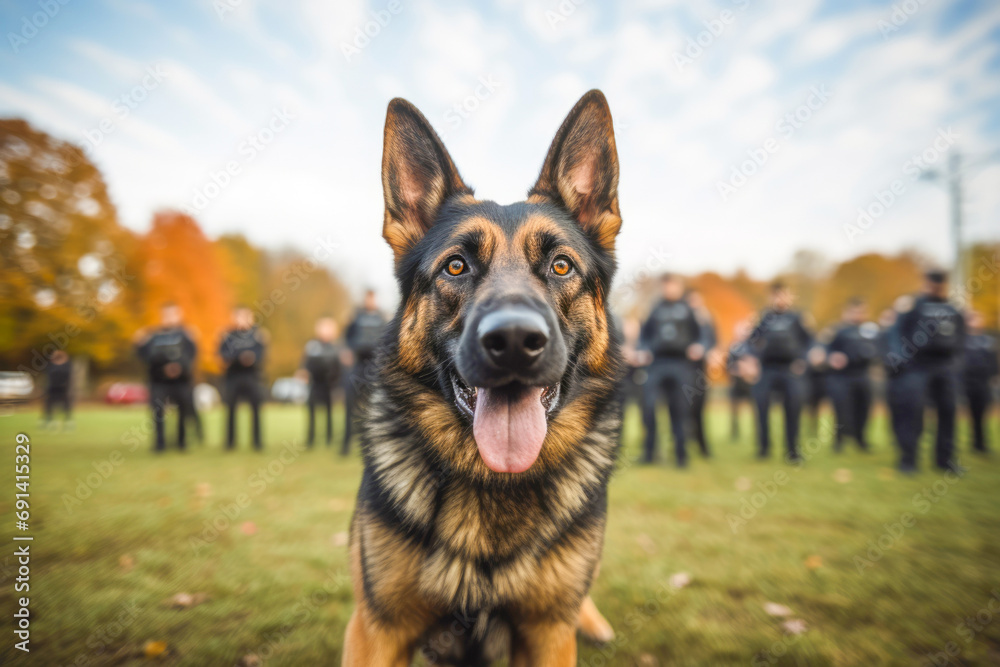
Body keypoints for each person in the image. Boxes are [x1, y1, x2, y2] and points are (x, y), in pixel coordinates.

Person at [893, 269, 966, 473]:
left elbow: (962, 336)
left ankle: (945, 461)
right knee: (913, 414)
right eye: (933, 283)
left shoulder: (953, 309)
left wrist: (956, 361)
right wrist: (902, 358)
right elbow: (897, 332)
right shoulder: (913, 306)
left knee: (948, 412)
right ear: (925, 283)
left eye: (940, 284)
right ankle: (908, 460)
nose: (936, 288)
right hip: (917, 367)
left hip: (945, 368)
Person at [639, 274, 705, 467]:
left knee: (680, 409)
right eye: (665, 286)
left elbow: (700, 336)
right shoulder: (655, 308)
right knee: (649, 407)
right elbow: (645, 335)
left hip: (681, 365)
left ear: (679, 287)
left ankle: (681, 455)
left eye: (672, 286)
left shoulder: (688, 309)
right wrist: (644, 349)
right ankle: (650, 453)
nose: (669, 289)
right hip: (657, 364)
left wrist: (699, 346)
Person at [747, 281, 813, 462]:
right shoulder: (764, 318)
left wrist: (803, 361)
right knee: (761, 408)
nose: (780, 299)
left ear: (789, 297)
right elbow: (750, 341)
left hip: (790, 370)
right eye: (776, 295)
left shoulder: (797, 318)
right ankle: (764, 449)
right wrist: (751, 360)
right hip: (767, 370)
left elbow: (810, 342)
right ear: (771, 297)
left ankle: (792, 451)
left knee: (793, 409)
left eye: (783, 295)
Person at [135, 302, 198, 452]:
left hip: (181, 380)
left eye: (173, 314)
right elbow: (145, 356)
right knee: (157, 410)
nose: (169, 318)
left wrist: (179, 367)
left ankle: (181, 442)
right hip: (159, 380)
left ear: (179, 315)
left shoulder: (187, 334)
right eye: (166, 314)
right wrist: (138, 343)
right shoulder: (153, 335)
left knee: (183, 410)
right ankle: (159, 444)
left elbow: (191, 356)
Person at [826, 298, 879, 452]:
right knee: (842, 410)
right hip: (842, 376)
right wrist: (833, 358)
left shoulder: (871, 331)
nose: (858, 315)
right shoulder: (839, 331)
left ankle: (860, 438)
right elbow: (828, 350)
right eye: (855, 311)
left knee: (863, 408)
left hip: (863, 374)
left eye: (861, 311)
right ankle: (839, 440)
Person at [342, 289, 387, 455]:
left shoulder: (382, 317)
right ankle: (345, 445)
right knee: (350, 405)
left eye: (372, 298)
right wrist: (346, 351)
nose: (370, 301)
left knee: (373, 407)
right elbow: (347, 337)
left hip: (374, 367)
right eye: (368, 298)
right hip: (357, 366)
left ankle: (371, 447)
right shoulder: (356, 316)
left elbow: (386, 340)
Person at [219, 306, 267, 451]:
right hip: (233, 377)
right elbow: (223, 356)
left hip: (252, 376)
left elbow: (262, 355)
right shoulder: (228, 336)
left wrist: (251, 358)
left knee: (256, 408)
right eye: (239, 316)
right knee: (231, 409)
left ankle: (257, 442)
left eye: (246, 316)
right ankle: (230, 442)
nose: (243, 320)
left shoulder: (258, 335)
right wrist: (239, 358)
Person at [298, 317, 344, 448]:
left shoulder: (336, 347)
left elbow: (339, 368)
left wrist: (338, 385)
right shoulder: (312, 346)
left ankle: (329, 438)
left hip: (329, 385)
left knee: (329, 412)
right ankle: (310, 439)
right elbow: (305, 363)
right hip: (314, 383)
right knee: (311, 410)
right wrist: (303, 372)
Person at [686, 289, 716, 457]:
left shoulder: (706, 321)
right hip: (684, 370)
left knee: (698, 409)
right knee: (683, 409)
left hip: (700, 372)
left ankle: (702, 446)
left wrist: (704, 349)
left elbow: (712, 342)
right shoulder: (684, 321)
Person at [963, 310, 998, 454]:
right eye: (972, 319)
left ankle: (980, 443)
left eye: (978, 319)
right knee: (968, 413)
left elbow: (993, 363)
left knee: (982, 413)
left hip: (983, 382)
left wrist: (995, 377)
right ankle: (974, 442)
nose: (976, 322)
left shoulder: (988, 341)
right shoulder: (962, 340)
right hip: (966, 382)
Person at [727, 320, 754, 442]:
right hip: (736, 383)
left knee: (755, 409)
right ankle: (734, 431)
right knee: (734, 410)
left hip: (750, 384)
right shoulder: (733, 348)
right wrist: (740, 369)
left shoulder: (753, 347)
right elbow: (728, 367)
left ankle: (757, 432)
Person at [43, 349, 73, 430]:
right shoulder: (51, 365)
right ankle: (48, 421)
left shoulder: (66, 365)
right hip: (52, 388)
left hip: (63, 388)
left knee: (66, 405)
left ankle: (68, 421)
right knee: (49, 405)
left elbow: (68, 376)